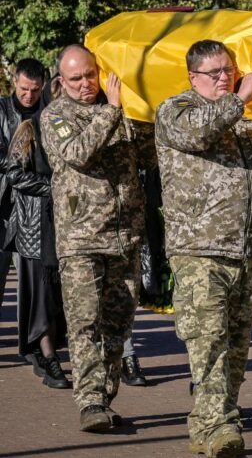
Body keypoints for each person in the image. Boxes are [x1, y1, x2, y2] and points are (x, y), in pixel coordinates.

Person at [155, 40, 252, 457]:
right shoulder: (176, 110)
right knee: (209, 339)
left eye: (229, 70)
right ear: (192, 76)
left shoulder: (243, 117)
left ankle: (212, 423)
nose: (225, 77)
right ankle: (218, 427)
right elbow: (199, 134)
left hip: (244, 249)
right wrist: (239, 98)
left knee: (236, 343)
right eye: (215, 72)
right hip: (199, 249)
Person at [40, 44, 149, 431]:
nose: (86, 84)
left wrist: (140, 110)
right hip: (81, 239)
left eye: (90, 74)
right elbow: (77, 152)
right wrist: (112, 111)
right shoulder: (56, 115)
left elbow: (150, 155)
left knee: (118, 325)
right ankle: (90, 402)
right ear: (61, 81)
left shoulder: (123, 109)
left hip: (125, 237)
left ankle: (106, 396)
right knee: (85, 323)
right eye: (76, 78)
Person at [5, 71, 69, 389]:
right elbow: (15, 174)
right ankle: (48, 357)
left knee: (60, 298)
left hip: (69, 226)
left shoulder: (72, 132)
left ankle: (54, 352)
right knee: (41, 297)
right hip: (35, 226)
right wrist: (53, 187)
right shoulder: (29, 129)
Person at [0, 59, 45, 327]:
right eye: (24, 89)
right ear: (14, 81)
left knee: (32, 287)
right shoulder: (1, 110)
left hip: (34, 211)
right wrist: (23, 167)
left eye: (36, 90)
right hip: (3, 206)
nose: (29, 96)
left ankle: (36, 348)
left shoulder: (49, 113)